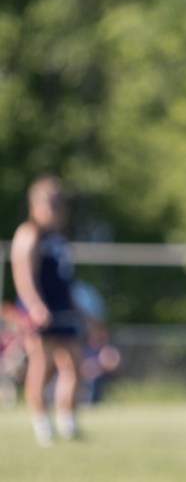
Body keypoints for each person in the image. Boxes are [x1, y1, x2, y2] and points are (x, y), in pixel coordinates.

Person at [10, 175, 83, 445]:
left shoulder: (60, 240)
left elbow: (67, 282)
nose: (57, 208)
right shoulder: (29, 233)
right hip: (39, 313)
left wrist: (82, 312)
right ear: (36, 204)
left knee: (74, 365)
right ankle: (42, 426)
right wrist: (35, 305)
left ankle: (68, 422)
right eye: (52, 202)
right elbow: (23, 274)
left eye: (60, 202)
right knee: (41, 366)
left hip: (63, 310)